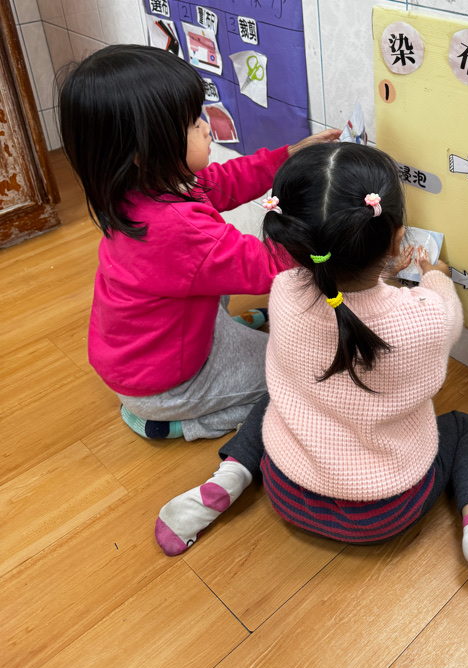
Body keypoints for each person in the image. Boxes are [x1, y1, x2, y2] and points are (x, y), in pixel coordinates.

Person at [154, 142, 468, 596]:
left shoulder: (283, 289)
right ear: (396, 239)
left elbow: (343, 302)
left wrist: (379, 272)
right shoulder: (426, 316)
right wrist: (435, 274)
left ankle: (230, 477)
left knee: (277, 395)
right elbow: (435, 307)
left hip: (286, 491)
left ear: (293, 237)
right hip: (386, 512)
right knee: (467, 430)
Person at [59, 45, 339, 440]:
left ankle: (218, 338)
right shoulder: (175, 229)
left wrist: (289, 157)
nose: (207, 127)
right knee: (296, 376)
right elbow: (266, 267)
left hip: (144, 350)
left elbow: (224, 182)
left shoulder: (142, 188)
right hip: (166, 385)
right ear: (143, 151)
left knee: (214, 272)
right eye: (193, 123)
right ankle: (170, 423)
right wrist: (334, 238)